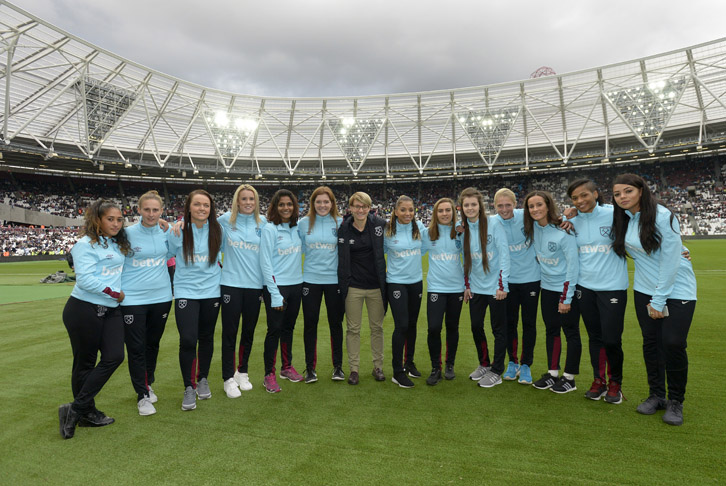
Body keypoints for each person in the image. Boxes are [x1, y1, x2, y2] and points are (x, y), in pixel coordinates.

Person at [612, 173, 697, 426]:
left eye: (628, 191)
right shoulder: (624, 217)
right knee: (651, 344)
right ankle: (657, 395)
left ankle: (676, 401)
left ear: (641, 190)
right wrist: (571, 214)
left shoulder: (663, 216)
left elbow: (671, 261)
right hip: (644, 290)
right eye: (617, 194)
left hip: (677, 290)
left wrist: (658, 300)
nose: (622, 197)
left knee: (672, 343)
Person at [58, 199, 129, 439]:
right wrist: (114, 293)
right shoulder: (84, 245)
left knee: (115, 356)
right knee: (85, 364)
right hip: (83, 309)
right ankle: (87, 413)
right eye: (110, 219)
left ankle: (75, 409)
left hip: (110, 310)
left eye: (119, 219)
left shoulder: (117, 243)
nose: (116, 223)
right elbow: (85, 280)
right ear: (97, 219)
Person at [566, 179, 628, 404]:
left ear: (595, 193)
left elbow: (647, 225)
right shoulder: (571, 220)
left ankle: (616, 383)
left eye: (584, 195)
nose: (580, 201)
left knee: (612, 340)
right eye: (575, 198)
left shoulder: (615, 213)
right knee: (595, 338)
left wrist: (682, 248)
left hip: (613, 287)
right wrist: (567, 214)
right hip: (585, 288)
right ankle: (598, 381)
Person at [167, 189, 222, 411]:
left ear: (211, 209)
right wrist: (172, 224)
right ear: (188, 207)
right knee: (188, 339)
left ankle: (202, 379)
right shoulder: (178, 231)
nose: (202, 209)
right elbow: (165, 255)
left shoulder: (218, 230)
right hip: (185, 292)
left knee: (206, 337)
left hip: (212, 292)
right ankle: (188, 387)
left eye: (206, 205)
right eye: (197, 204)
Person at [121, 191, 173, 416]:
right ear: (138, 210)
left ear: (162, 211)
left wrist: (170, 225)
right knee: (136, 347)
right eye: (147, 210)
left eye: (155, 210)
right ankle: (142, 395)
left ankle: (148, 383)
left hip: (162, 297)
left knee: (152, 344)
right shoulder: (125, 233)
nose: (151, 214)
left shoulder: (167, 232)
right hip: (132, 299)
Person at [524, 190, 581, 394]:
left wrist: (566, 297)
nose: (535, 209)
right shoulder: (534, 229)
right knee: (551, 331)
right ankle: (553, 373)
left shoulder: (563, 231)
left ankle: (569, 377)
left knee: (571, 332)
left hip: (565, 290)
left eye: (539, 205)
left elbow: (573, 267)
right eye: (531, 206)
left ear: (548, 206)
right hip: (546, 289)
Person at [218, 184, 266, 398]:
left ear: (256, 202)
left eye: (252, 199)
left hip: (254, 286)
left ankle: (242, 372)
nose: (248, 202)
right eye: (244, 199)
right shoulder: (225, 221)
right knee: (230, 333)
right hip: (231, 284)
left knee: (248, 332)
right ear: (237, 201)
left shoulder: (263, 223)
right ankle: (228, 378)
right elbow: (206, 238)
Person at [459, 187, 510, 388]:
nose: (470, 208)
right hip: (476, 288)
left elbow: (504, 254)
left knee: (498, 329)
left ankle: (497, 370)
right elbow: (466, 260)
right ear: (461, 208)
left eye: (473, 204)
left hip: (495, 288)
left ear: (480, 206)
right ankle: (484, 363)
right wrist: (467, 285)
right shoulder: (462, 228)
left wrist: (502, 285)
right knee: (475, 326)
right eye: (466, 205)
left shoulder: (494, 223)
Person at [337, 192, 387, 385]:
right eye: (356, 206)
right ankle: (354, 369)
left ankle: (378, 367)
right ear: (350, 208)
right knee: (353, 329)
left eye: (364, 206)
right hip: (354, 288)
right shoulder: (344, 228)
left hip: (376, 287)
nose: (360, 210)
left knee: (377, 328)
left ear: (369, 208)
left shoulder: (380, 225)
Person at [298, 186, 345, 383]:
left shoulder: (341, 222)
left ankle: (338, 367)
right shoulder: (303, 223)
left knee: (336, 324)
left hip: (334, 281)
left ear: (332, 203)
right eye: (319, 202)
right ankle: (310, 368)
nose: (323, 205)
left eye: (326, 202)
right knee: (310, 324)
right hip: (310, 280)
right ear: (313, 203)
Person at [493, 188, 540, 385]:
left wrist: (570, 214)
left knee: (529, 323)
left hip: (530, 279)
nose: (504, 209)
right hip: (507, 283)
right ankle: (512, 362)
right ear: (494, 206)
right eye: (500, 206)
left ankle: (526, 364)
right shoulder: (492, 222)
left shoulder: (527, 216)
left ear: (515, 204)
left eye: (508, 205)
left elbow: (553, 216)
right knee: (509, 324)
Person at [259, 189, 304, 393]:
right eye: (281, 204)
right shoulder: (270, 229)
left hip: (296, 285)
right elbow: (265, 262)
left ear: (294, 207)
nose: (286, 208)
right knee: (274, 330)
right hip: (277, 287)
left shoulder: (297, 228)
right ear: (275, 207)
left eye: (289, 204)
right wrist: (274, 291)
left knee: (288, 329)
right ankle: (269, 373)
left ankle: (286, 367)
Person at [384, 195, 427, 388]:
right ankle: (397, 371)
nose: (408, 213)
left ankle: (409, 363)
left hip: (416, 282)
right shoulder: (388, 231)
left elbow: (426, 247)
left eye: (411, 210)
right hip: (395, 283)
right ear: (395, 211)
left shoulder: (420, 229)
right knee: (401, 325)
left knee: (411, 324)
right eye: (403, 210)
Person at [424, 198, 465, 385]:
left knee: (452, 327)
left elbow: (471, 256)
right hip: (436, 288)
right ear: (435, 213)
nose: (444, 213)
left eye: (448, 210)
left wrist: (468, 285)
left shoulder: (460, 232)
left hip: (456, 288)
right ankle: (435, 367)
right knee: (433, 328)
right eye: (440, 211)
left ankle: (450, 364)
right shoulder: (428, 234)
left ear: (453, 212)